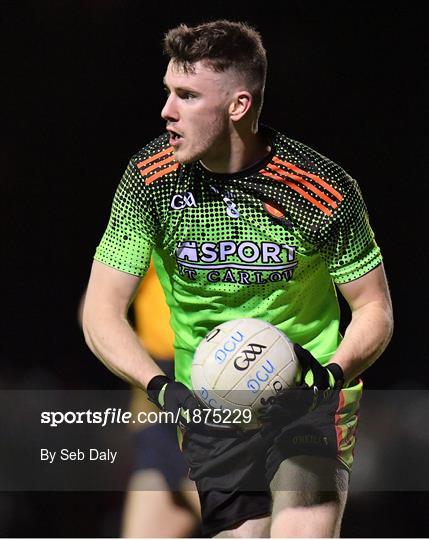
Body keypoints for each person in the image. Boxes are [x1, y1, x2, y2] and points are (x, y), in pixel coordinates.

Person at [82, 20, 393, 538]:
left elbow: (374, 309)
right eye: (168, 93)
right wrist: (163, 389)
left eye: (186, 95)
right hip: (208, 411)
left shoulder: (321, 188)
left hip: (308, 402)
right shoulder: (149, 182)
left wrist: (330, 376)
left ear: (238, 106)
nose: (166, 111)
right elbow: (100, 311)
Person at [121, 262, 201, 538]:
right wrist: (137, 364)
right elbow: (94, 309)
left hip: (221, 375)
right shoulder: (142, 226)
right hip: (159, 375)